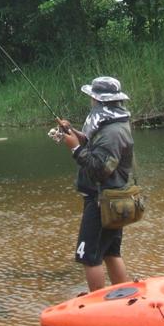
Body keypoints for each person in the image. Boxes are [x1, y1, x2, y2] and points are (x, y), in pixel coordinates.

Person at [56, 76, 134, 292]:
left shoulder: (111, 132)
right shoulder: (115, 124)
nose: (91, 101)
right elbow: (96, 147)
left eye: (93, 98)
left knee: (90, 256)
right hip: (112, 199)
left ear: (99, 101)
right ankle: (124, 297)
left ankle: (96, 304)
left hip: (102, 200)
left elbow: (100, 169)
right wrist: (74, 133)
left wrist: (75, 149)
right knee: (110, 252)